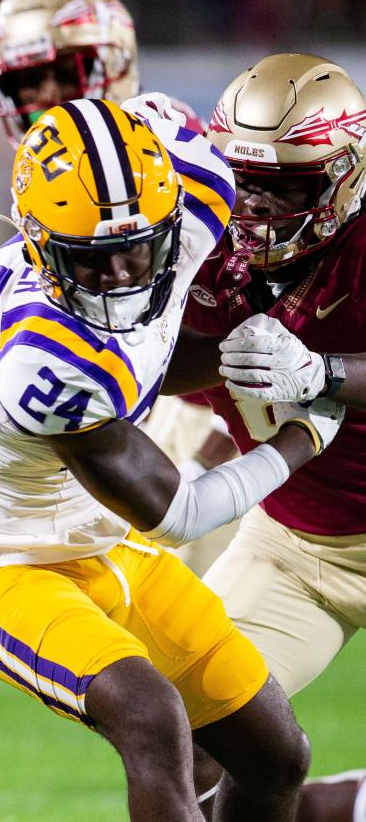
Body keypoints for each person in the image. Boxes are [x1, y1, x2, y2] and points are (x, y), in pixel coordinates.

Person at [0, 95, 335, 819]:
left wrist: (238, 354)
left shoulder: (195, 191)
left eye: (137, 250)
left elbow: (146, 357)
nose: (121, 278)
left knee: (277, 755)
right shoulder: (43, 360)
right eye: (94, 262)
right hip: (3, 562)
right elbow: (177, 513)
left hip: (101, 541)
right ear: (40, 246)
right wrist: (301, 438)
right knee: (149, 716)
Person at [0, 0, 235, 576]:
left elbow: (247, 306)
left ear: (109, 64)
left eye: (58, 74)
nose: (39, 96)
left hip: (188, 413)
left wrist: (222, 433)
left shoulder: (167, 154)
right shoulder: (57, 168)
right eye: (23, 80)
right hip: (109, 409)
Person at [174, 52, 366, 818]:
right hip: (295, 547)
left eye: (284, 186)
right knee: (186, 737)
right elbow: (159, 368)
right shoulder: (199, 241)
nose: (254, 205)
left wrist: (320, 372)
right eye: (244, 178)